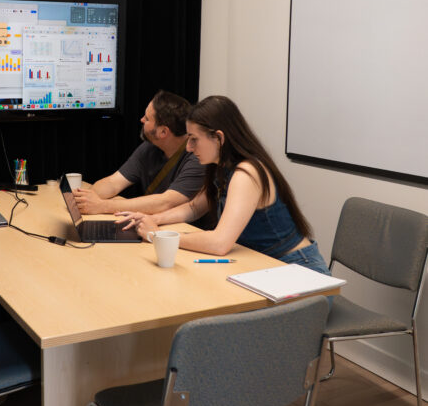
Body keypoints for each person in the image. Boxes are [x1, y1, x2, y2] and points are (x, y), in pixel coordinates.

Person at [120, 94, 330, 274]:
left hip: (300, 272)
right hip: (265, 267)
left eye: (194, 139)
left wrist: (156, 235)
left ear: (218, 138)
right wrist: (151, 219)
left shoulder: (247, 174)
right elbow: (193, 208)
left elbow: (219, 243)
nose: (189, 148)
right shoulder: (221, 167)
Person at [73, 90, 206, 216]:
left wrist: (103, 206)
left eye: (147, 119)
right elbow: (113, 183)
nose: (141, 120)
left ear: (163, 132)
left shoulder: (197, 158)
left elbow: (167, 202)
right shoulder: (150, 147)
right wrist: (84, 199)